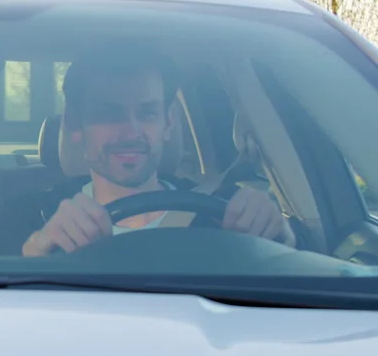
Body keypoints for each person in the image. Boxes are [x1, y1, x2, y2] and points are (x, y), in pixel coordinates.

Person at [21, 42, 296, 257]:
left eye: (148, 113)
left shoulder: (224, 213)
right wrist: (35, 257)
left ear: (168, 123)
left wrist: (281, 237)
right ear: (74, 125)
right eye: (110, 114)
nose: (131, 132)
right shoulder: (32, 217)